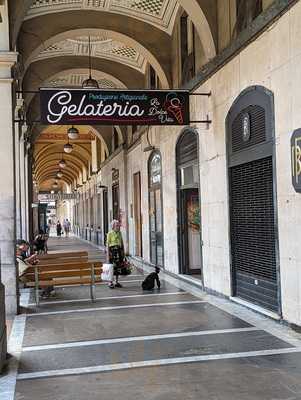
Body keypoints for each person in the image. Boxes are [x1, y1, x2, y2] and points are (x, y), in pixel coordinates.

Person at [106, 220, 124, 289]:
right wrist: (108, 254)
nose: (118, 227)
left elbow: (121, 243)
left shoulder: (119, 233)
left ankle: (116, 282)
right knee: (111, 267)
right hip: (112, 252)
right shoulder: (110, 233)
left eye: (119, 225)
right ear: (113, 226)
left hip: (119, 251)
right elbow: (107, 244)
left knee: (118, 267)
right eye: (117, 225)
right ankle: (110, 282)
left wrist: (123, 252)